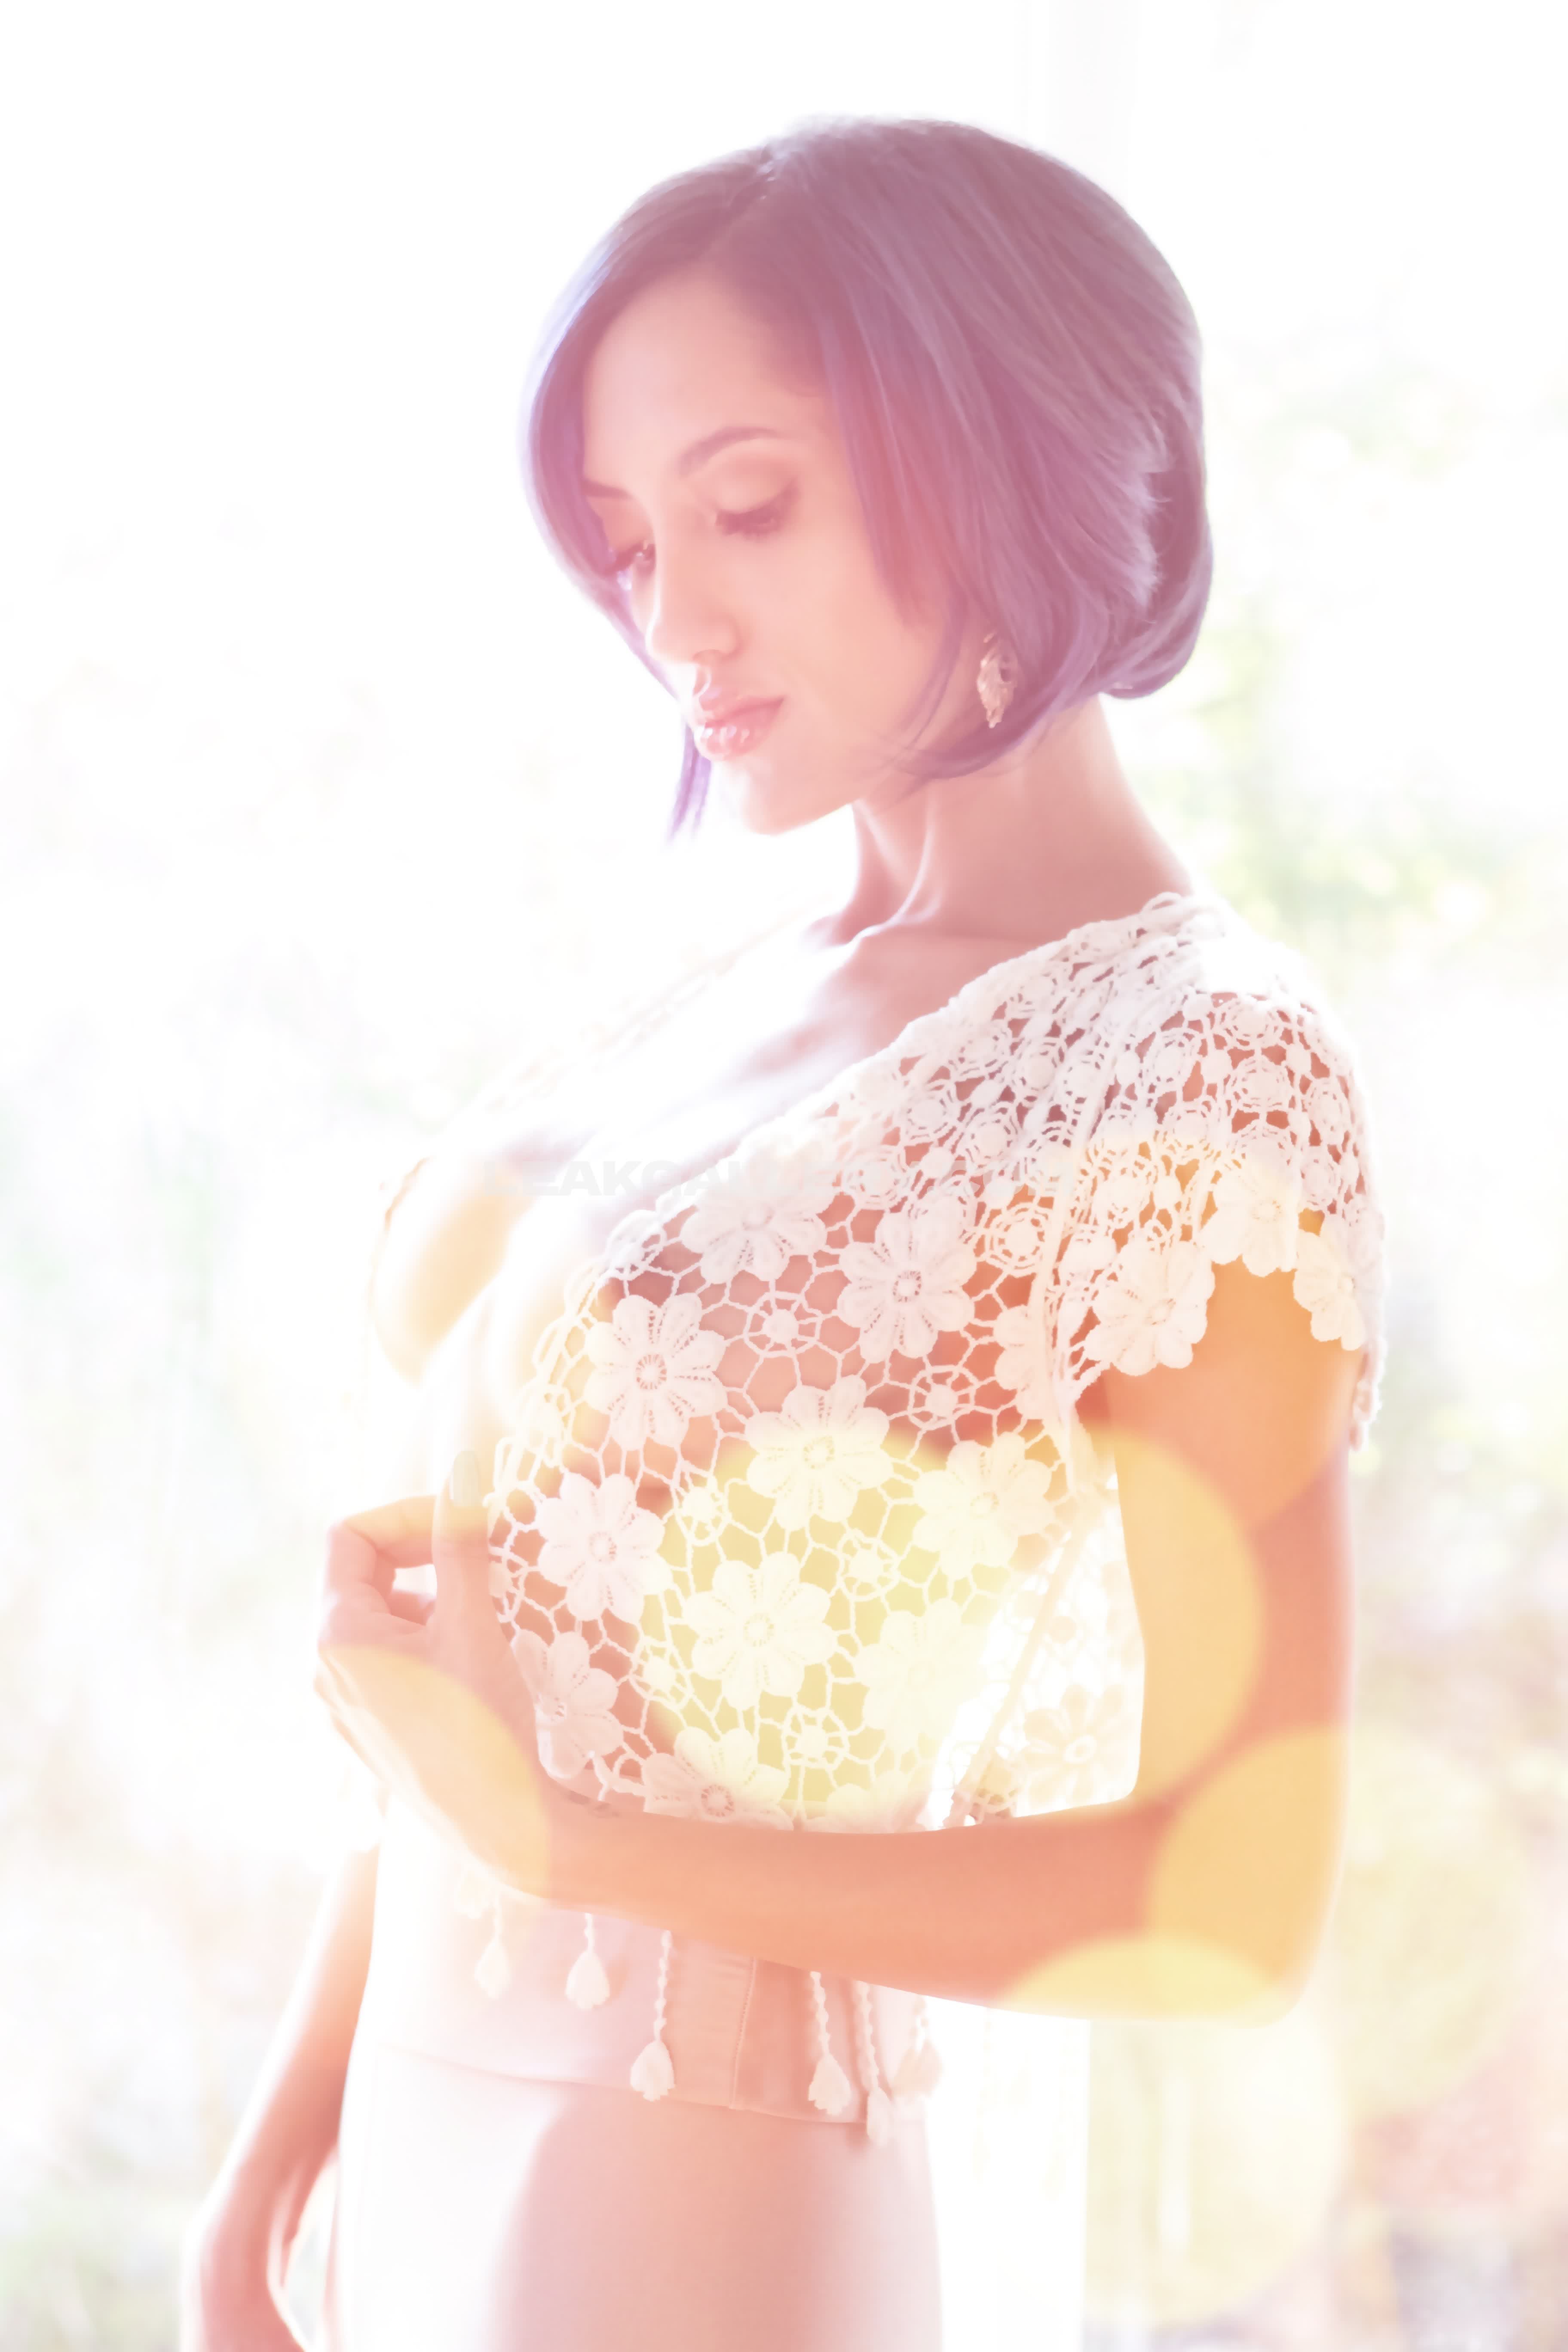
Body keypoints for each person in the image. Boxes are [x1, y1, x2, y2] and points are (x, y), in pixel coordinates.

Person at [180, 116, 1384, 2351]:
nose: (674, 618)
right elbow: (481, 1693)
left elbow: (1236, 1902)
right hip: (416, 2147)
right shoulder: (700, 1002)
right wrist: (270, 2164)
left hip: (703, 2201)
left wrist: (570, 1852)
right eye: (632, 543)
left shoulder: (1192, 1066)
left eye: (748, 508)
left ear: (1005, 459)